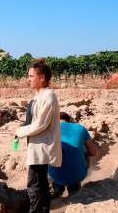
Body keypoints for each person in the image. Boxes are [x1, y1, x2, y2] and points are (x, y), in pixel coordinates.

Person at [11, 59, 62, 213]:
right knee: (41, 184)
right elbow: (33, 121)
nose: (29, 79)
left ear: (42, 78)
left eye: (32, 76)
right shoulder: (39, 96)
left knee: (34, 186)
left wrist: (19, 131)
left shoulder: (48, 96)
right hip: (37, 147)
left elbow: (40, 124)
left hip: (41, 148)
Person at [48, 112, 98, 198]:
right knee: (83, 151)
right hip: (78, 174)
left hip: (54, 175)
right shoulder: (80, 128)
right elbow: (94, 152)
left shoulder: (48, 129)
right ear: (69, 121)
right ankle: (74, 189)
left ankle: (57, 188)